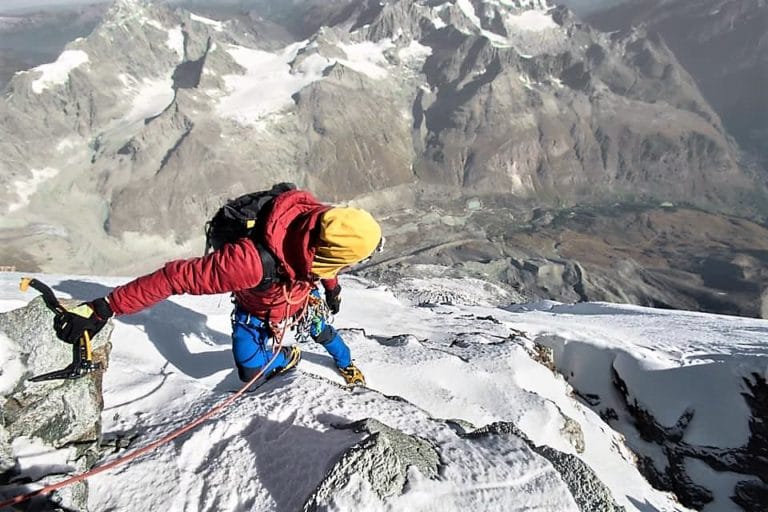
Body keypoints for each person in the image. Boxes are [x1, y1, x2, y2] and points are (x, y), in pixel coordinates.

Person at [52, 187, 382, 386]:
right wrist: (104, 308)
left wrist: (332, 290)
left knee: (324, 334)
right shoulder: (249, 262)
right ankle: (286, 357)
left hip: (298, 302)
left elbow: (325, 262)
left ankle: (346, 363)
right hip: (257, 310)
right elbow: (174, 278)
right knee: (251, 370)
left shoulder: (318, 223)